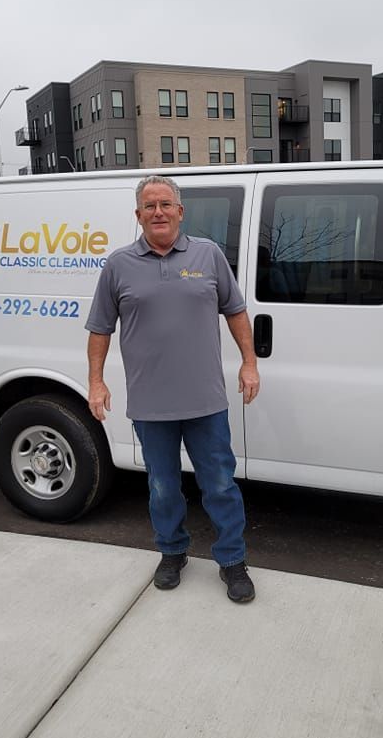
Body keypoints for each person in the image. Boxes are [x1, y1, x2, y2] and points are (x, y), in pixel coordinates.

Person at [85, 175, 260, 603]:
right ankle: (172, 551)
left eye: (166, 204)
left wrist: (250, 363)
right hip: (150, 404)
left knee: (219, 484)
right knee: (162, 487)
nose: (158, 212)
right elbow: (100, 329)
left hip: (205, 401)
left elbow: (236, 311)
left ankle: (233, 561)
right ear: (139, 215)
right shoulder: (118, 265)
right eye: (150, 206)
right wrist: (95, 381)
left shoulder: (209, 255)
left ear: (180, 212)